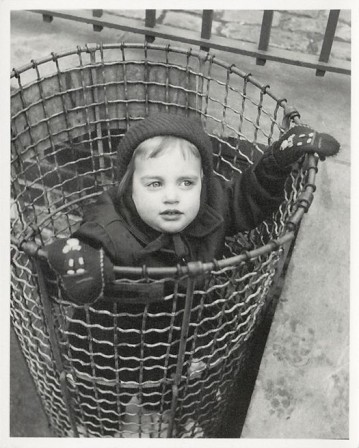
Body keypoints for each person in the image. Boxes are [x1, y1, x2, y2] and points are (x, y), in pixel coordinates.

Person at [46, 113, 339, 437]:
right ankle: (100, 428)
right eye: (155, 183)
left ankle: (157, 411)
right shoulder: (112, 222)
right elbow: (90, 235)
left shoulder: (209, 207)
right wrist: (84, 258)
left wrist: (278, 160)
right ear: (128, 187)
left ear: (203, 182)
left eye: (186, 182)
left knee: (166, 377)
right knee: (101, 390)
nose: (172, 196)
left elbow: (246, 197)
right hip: (111, 336)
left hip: (173, 328)